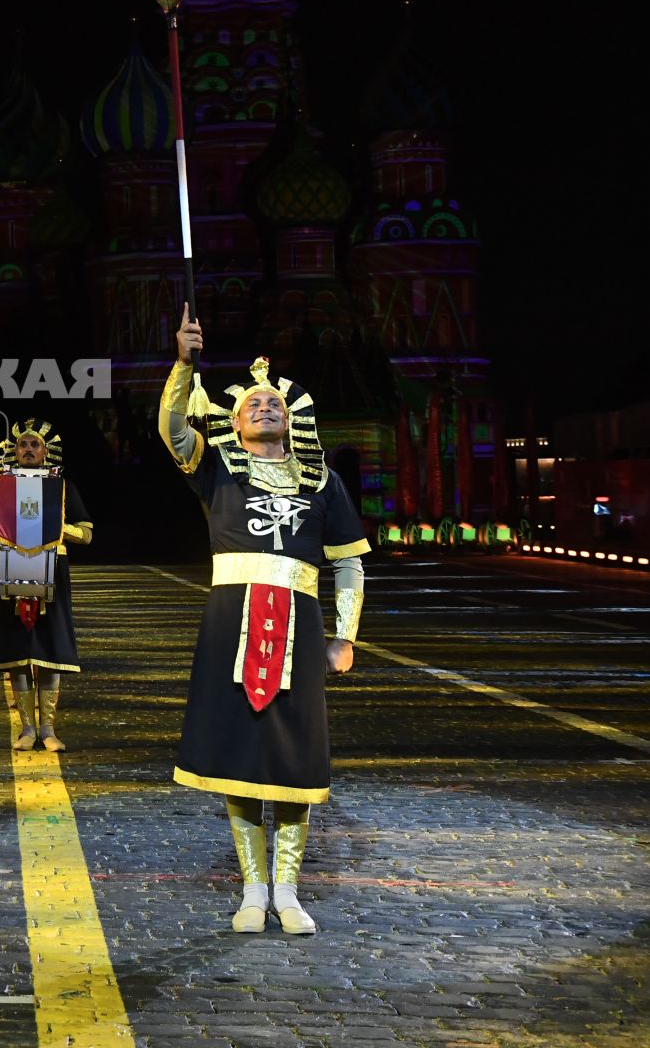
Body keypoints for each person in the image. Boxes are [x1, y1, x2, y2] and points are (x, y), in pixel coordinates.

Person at [163, 304, 369, 936]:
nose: (264, 407)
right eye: (252, 403)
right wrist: (181, 363)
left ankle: (289, 889)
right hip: (233, 625)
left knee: (291, 760)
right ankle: (253, 888)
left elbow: (350, 564)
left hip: (299, 632)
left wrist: (345, 635)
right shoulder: (217, 469)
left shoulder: (321, 481)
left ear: (293, 419)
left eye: (274, 404)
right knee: (239, 756)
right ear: (231, 419)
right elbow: (173, 430)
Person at [0, 422, 93, 750]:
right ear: (14, 451)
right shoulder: (2, 486)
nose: (28, 449)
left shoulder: (62, 486)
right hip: (12, 570)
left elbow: (87, 533)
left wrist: (57, 527)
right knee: (18, 651)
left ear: (46, 451)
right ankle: (27, 728)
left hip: (51, 570)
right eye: (23, 445)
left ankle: (48, 729)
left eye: (35, 445)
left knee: (48, 650)